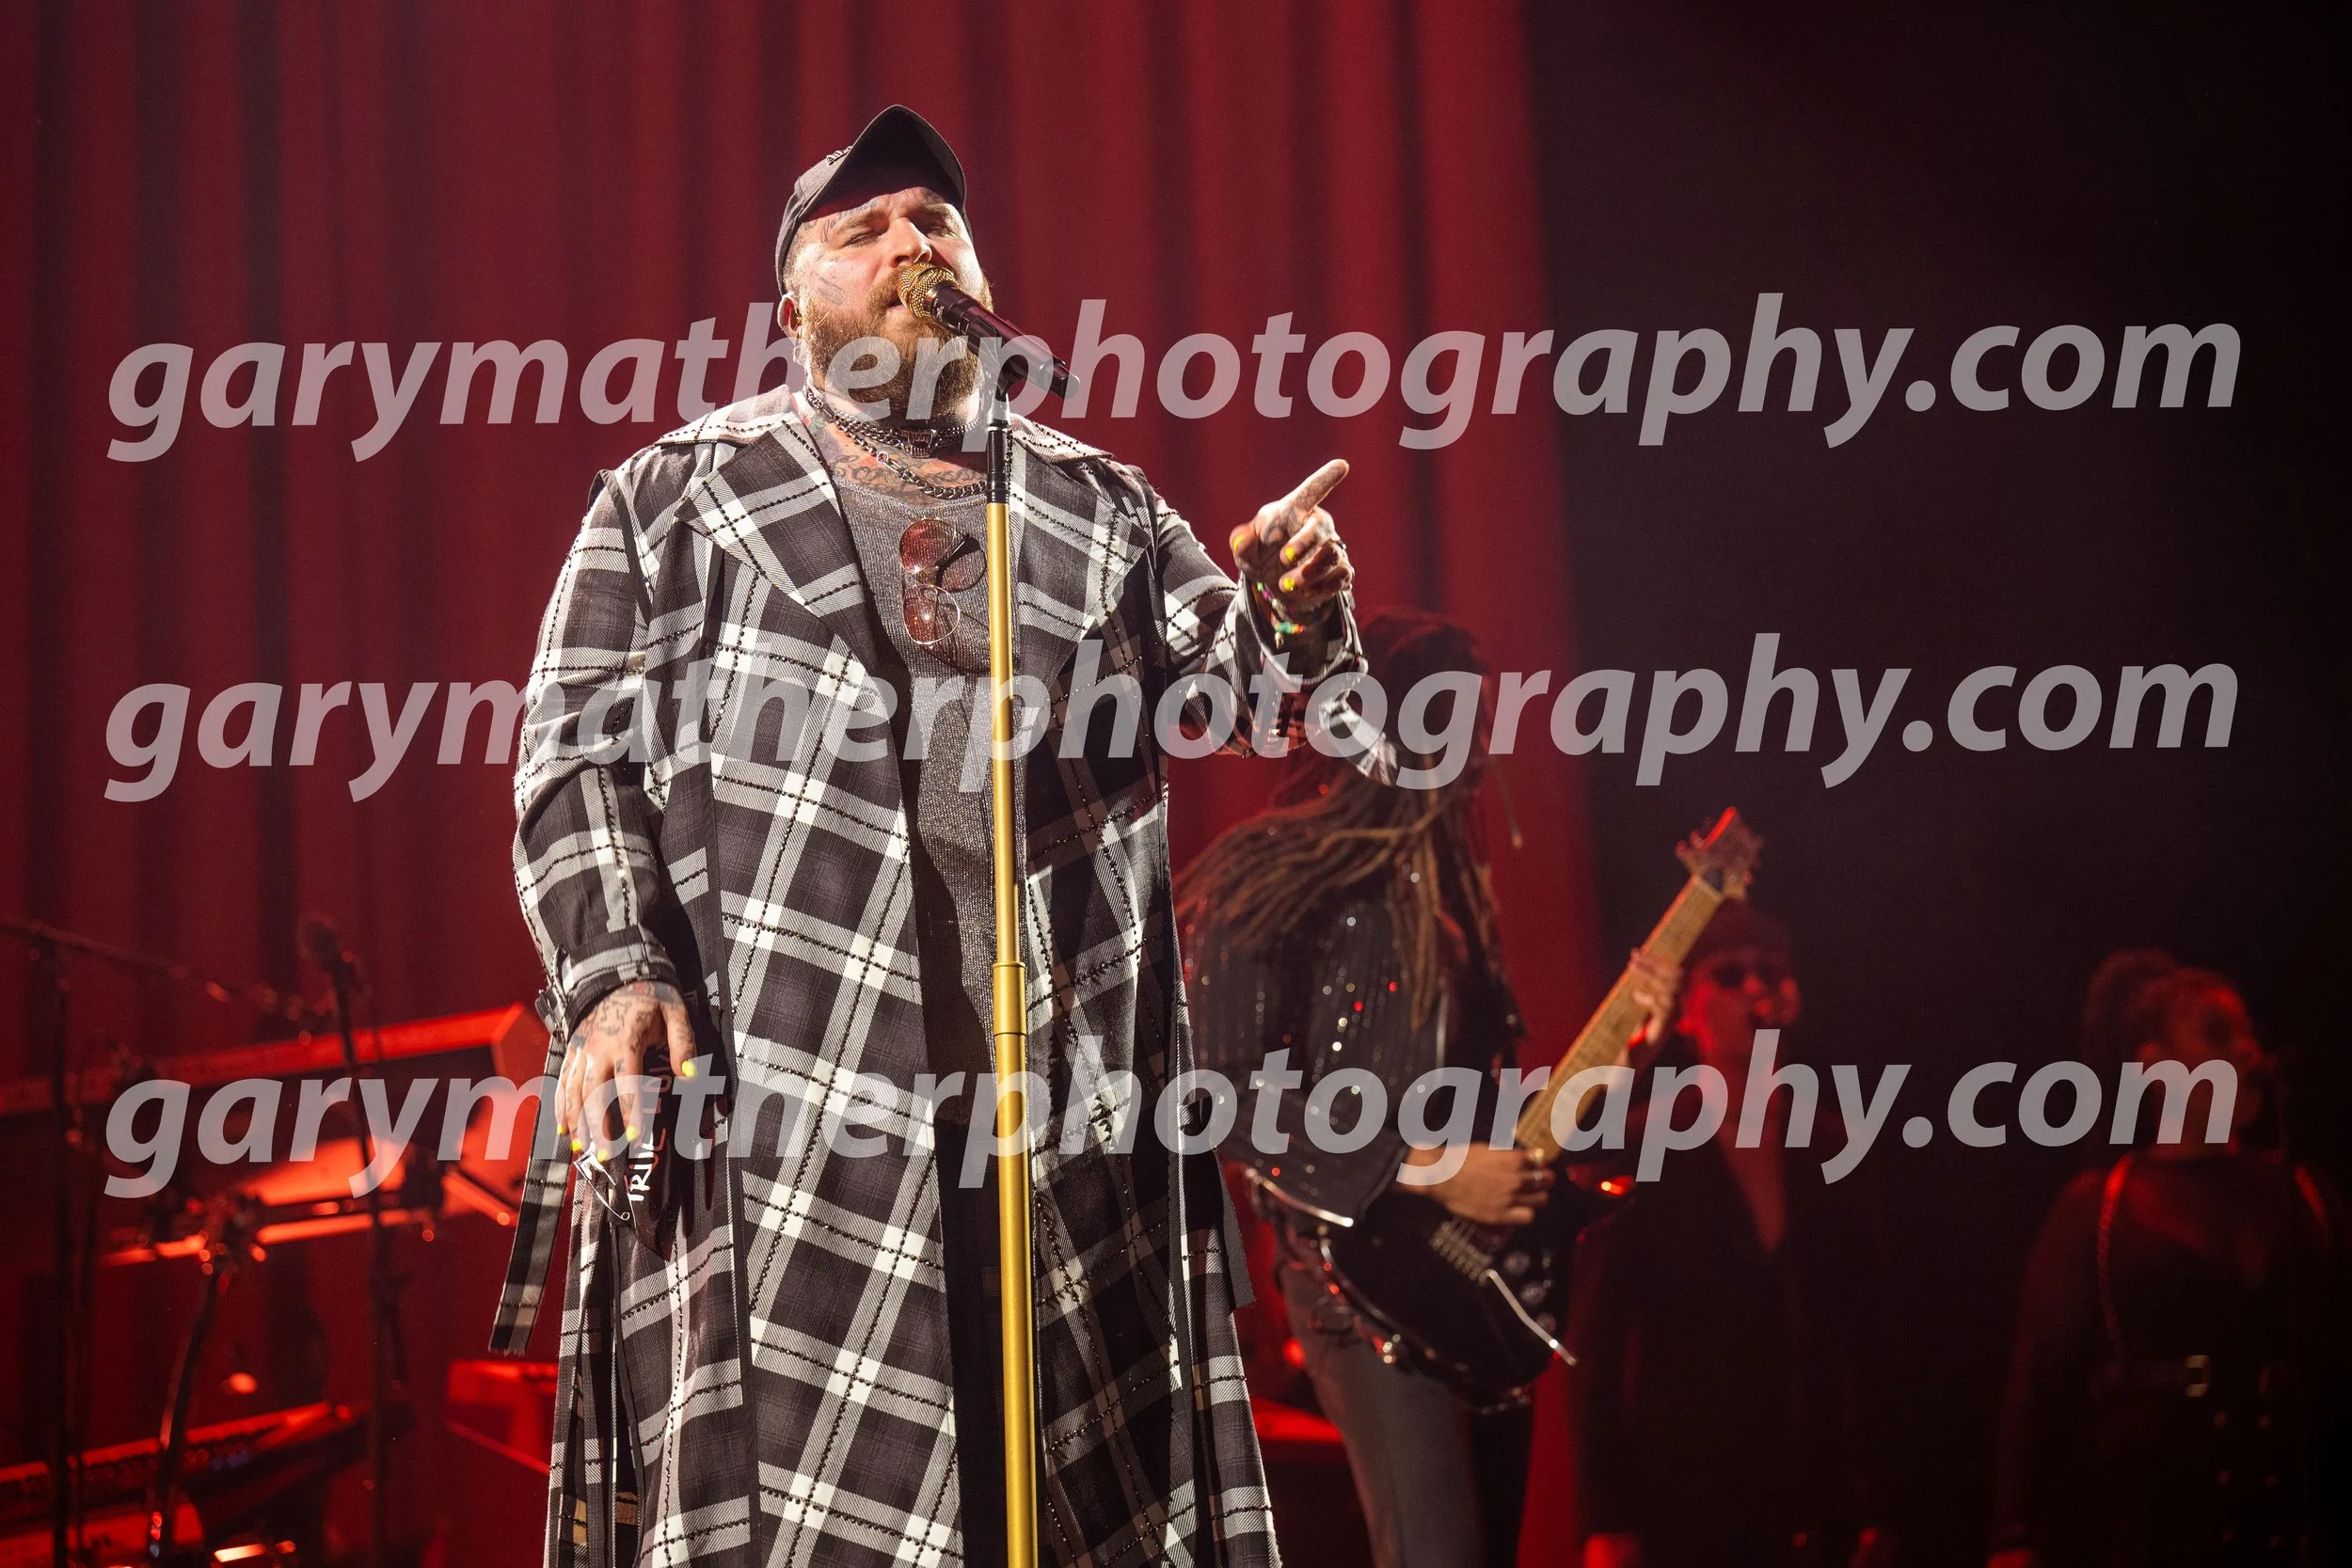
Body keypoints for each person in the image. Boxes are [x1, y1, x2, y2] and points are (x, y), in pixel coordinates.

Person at [491, 104, 1375, 1567]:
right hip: (793, 1133)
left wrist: (1296, 602)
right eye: (866, 230)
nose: (913, 244)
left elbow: (1257, 698)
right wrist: (614, 972)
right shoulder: (675, 498)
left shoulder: (1094, 505)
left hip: (1059, 1135)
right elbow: (572, 750)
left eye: (938, 224)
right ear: (793, 310)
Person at [1181, 610, 1678, 1568]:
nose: (1477, 751)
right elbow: (1209, 1091)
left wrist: (1625, 1053)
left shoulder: (1453, 904)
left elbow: (1501, 1123)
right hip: (1354, 1277)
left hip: (1467, 1285)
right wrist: (1429, 1168)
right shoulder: (1275, 869)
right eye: (1455, 719)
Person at [1987, 952, 2349, 1568]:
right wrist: (2014, 1536)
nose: (2247, 1051)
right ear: (2154, 1066)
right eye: (2217, 1033)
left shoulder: (2308, 1192)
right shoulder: (2100, 1207)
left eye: (2248, 1032)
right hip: (2157, 1531)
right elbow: (2040, 1386)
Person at [1565, 902, 1890, 1568]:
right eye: (1730, 974)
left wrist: (1881, 1499)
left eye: (1770, 971)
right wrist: (1608, 1517)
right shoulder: (1643, 1144)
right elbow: (1596, 1342)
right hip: (1688, 1508)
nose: (1755, 988)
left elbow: (1871, 1335)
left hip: (1815, 1501)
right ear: (1686, 1008)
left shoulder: (1832, 1145)